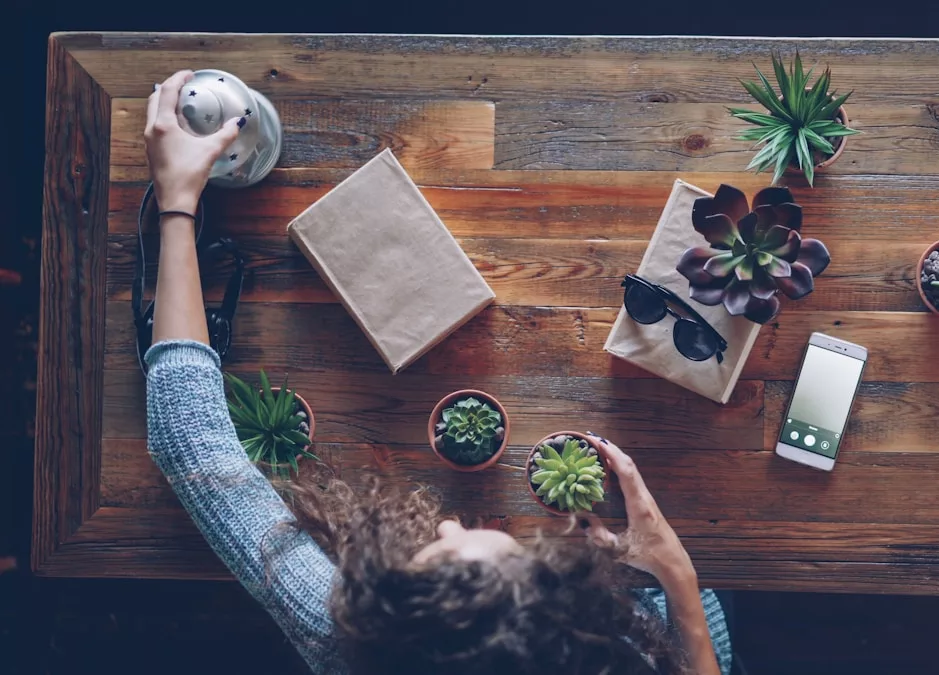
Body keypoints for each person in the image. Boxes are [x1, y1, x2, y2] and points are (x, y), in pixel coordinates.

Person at [142, 70, 733, 675]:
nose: (447, 524)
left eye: (437, 552)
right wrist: (677, 578)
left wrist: (176, 206)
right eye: (507, 558)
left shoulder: (351, 638)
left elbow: (190, 441)